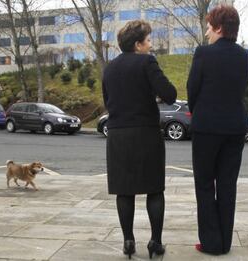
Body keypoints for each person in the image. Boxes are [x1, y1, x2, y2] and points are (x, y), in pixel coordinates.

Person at [102, 20, 177, 259]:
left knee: (124, 191)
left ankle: (128, 241)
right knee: (154, 189)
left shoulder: (110, 68)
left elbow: (108, 100)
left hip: (117, 134)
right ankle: (155, 243)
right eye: (148, 41)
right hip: (145, 133)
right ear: (138, 44)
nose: (151, 44)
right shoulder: (147, 61)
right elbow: (169, 94)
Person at [187, 5, 248, 255]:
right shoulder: (245, 56)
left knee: (204, 184)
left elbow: (193, 89)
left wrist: (200, 111)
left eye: (208, 27)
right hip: (235, 127)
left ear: (218, 28)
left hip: (207, 128)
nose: (206, 33)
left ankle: (211, 242)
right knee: (227, 184)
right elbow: (242, 86)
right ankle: (224, 242)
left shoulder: (203, 54)